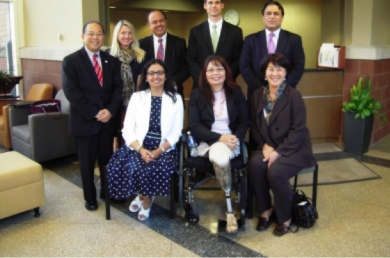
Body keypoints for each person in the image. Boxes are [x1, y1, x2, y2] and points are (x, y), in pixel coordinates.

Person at [106, 59, 184, 221]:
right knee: (136, 166)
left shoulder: (176, 99)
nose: (156, 76)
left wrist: (158, 151)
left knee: (154, 167)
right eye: (151, 73)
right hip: (138, 146)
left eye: (160, 72)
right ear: (146, 77)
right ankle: (145, 196)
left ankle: (145, 199)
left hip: (163, 148)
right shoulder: (137, 97)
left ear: (165, 76)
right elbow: (127, 128)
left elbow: (177, 132)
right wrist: (141, 150)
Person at [249, 53, 316, 236]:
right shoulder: (257, 95)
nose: (275, 73)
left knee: (276, 172)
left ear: (286, 73)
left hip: (294, 148)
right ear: (265, 73)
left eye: (280, 69)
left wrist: (278, 152)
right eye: (271, 69)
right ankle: (265, 210)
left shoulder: (294, 96)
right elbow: (254, 125)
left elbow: (298, 130)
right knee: (255, 165)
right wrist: (264, 146)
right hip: (268, 145)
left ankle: (285, 216)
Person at [62, 21, 123, 211]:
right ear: (83, 36)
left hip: (107, 123)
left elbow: (118, 89)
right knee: (87, 164)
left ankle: (106, 192)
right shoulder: (71, 61)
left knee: (107, 161)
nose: (95, 37)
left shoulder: (111, 61)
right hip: (85, 123)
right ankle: (90, 198)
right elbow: (72, 92)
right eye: (91, 34)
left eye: (99, 34)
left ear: (103, 37)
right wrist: (96, 113)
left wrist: (110, 111)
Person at [188, 55, 248, 233]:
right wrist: (220, 138)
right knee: (220, 156)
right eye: (211, 69)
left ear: (226, 71)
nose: (216, 73)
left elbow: (245, 122)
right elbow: (195, 126)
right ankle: (229, 206)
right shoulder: (197, 94)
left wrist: (234, 137)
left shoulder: (235, 91)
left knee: (221, 154)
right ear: (204, 74)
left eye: (219, 68)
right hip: (208, 141)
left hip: (232, 140)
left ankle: (230, 206)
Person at [240, 1, 305, 99]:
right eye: (268, 13)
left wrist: (282, 89)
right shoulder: (250, 40)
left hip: (285, 94)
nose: (272, 17)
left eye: (276, 14)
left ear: (282, 18)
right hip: (257, 95)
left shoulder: (294, 40)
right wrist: (262, 90)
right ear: (263, 17)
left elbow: (298, 66)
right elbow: (244, 67)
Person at [187, 0, 244, 87]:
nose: (214, 6)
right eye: (210, 3)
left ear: (222, 5)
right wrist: (203, 79)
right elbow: (191, 59)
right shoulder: (195, 31)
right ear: (205, 5)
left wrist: (225, 78)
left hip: (227, 85)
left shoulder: (235, 32)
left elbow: (238, 60)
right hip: (201, 86)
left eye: (217, 2)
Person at [107, 20, 146, 149]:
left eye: (130, 33)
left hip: (133, 103)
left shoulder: (140, 55)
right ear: (117, 35)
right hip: (113, 103)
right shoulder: (108, 55)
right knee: (113, 137)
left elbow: (141, 83)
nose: (127, 36)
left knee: (131, 136)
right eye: (123, 33)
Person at [139, 10, 189, 99]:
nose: (159, 24)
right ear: (148, 25)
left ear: (166, 22)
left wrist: (171, 82)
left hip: (174, 92)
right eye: (154, 22)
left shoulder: (179, 43)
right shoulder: (141, 45)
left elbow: (186, 68)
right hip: (148, 93)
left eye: (161, 21)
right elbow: (140, 70)